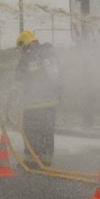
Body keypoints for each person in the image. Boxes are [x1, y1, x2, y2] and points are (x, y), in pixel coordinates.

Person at [11, 30, 61, 167]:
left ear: (23, 44)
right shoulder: (49, 52)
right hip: (51, 102)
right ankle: (46, 158)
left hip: (33, 103)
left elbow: (19, 81)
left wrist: (13, 98)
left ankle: (31, 159)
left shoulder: (26, 57)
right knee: (46, 131)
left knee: (31, 131)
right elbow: (58, 75)